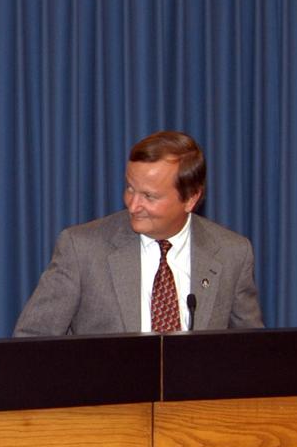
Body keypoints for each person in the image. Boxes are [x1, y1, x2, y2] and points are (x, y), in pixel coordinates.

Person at [14, 130, 263, 337]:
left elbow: (251, 352)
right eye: (130, 189)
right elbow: (31, 343)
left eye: (149, 196)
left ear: (190, 198)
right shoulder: (82, 249)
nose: (133, 206)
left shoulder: (232, 254)